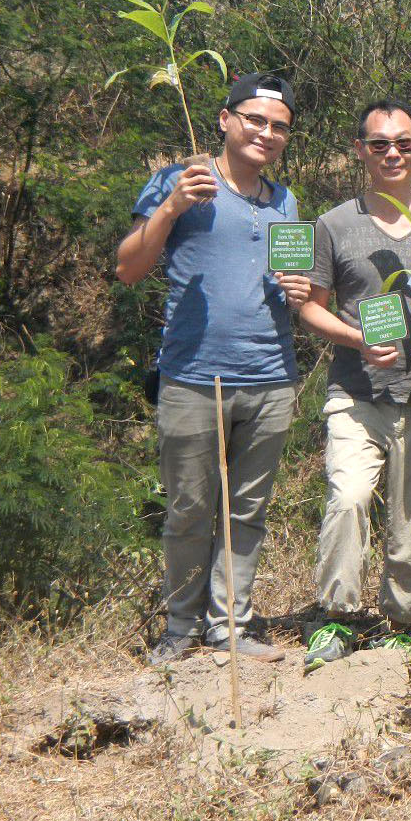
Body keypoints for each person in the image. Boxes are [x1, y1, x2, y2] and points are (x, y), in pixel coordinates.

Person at [116, 73, 311, 664]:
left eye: (278, 127)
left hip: (271, 375)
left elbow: (295, 290)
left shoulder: (286, 202)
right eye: (255, 120)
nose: (266, 133)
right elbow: (129, 268)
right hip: (193, 376)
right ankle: (180, 627)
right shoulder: (181, 183)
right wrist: (174, 205)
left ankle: (231, 625)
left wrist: (298, 289)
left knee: (247, 512)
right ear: (225, 120)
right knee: (190, 509)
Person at [295, 100, 411, 663]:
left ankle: (405, 617)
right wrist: (355, 340)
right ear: (360, 152)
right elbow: (311, 309)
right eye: (379, 144)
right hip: (357, 394)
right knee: (348, 497)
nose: (392, 153)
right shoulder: (333, 224)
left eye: (403, 142)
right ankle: (337, 617)